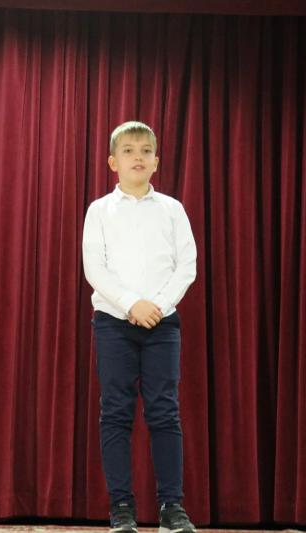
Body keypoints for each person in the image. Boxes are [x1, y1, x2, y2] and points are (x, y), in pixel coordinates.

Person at [82, 121, 197, 533]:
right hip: (113, 323)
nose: (138, 157)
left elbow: (187, 266)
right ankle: (121, 508)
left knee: (165, 411)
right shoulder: (99, 210)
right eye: (128, 151)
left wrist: (157, 307)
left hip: (162, 325)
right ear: (113, 162)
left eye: (146, 151)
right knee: (116, 412)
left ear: (156, 162)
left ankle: (171, 507)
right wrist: (132, 304)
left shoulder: (172, 209)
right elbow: (95, 268)